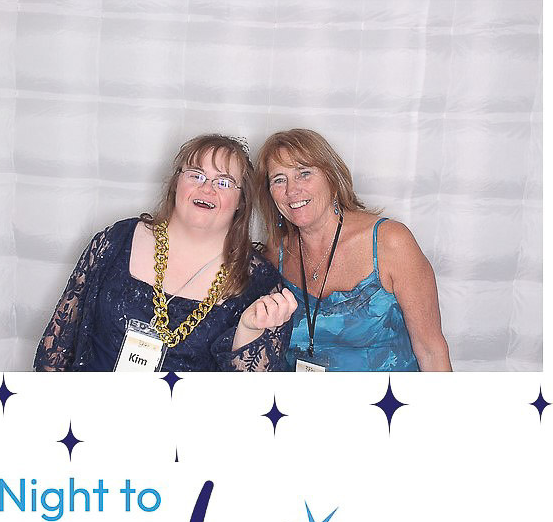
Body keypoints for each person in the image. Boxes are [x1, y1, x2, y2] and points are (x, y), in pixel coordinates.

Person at [34, 134, 296, 372]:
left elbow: (248, 397)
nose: (207, 189)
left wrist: (248, 331)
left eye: (224, 182)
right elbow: (56, 352)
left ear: (241, 201)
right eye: (196, 175)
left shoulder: (261, 284)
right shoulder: (116, 240)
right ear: (176, 183)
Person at [256, 128, 451, 371]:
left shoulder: (390, 242)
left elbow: (431, 351)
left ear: (332, 177)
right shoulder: (276, 253)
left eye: (304, 173)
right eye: (279, 179)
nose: (292, 190)